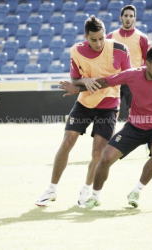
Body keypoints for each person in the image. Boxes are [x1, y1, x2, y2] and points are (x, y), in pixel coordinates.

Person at [59, 46, 152, 208]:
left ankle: (136, 191)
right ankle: (95, 197)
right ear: (147, 63)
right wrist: (78, 88)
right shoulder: (132, 74)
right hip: (134, 127)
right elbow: (105, 82)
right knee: (105, 159)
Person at [35, 16, 132, 206]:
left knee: (98, 153)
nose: (98, 43)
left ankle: (86, 191)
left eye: (101, 38)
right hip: (84, 104)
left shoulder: (120, 50)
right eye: (93, 39)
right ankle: (52, 189)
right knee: (66, 142)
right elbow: (75, 79)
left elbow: (127, 78)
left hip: (109, 106)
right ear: (86, 37)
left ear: (105, 34)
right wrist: (83, 81)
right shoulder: (76, 51)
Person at [107, 5, 150, 116]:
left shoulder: (142, 38)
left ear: (135, 19)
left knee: (134, 113)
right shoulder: (111, 37)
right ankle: (111, 133)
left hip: (133, 81)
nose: (128, 18)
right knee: (112, 113)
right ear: (121, 18)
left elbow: (147, 62)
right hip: (115, 80)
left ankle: (134, 133)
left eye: (131, 16)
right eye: (125, 15)